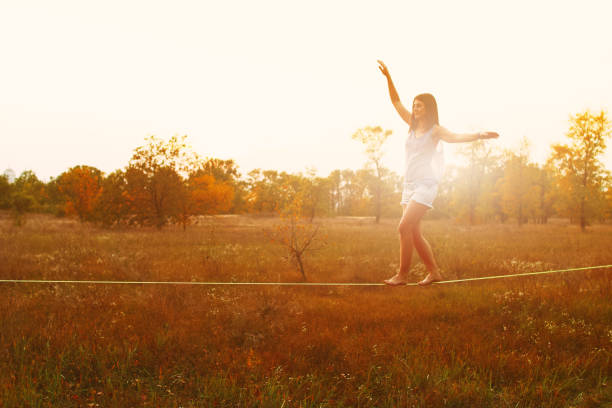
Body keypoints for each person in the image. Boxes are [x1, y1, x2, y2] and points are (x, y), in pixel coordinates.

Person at [377, 60, 499, 286]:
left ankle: (401, 276)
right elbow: (395, 102)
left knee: (403, 227)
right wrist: (389, 79)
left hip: (425, 185)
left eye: (420, 106)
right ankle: (434, 273)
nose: (415, 108)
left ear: (429, 109)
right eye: (414, 105)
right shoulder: (411, 125)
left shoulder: (436, 131)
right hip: (409, 185)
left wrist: (479, 135)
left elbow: (455, 137)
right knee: (413, 232)